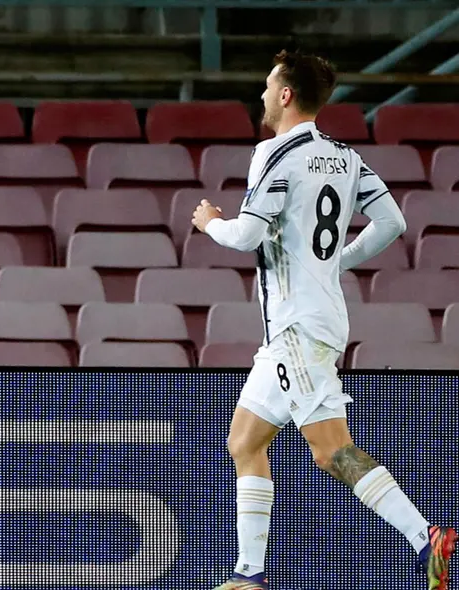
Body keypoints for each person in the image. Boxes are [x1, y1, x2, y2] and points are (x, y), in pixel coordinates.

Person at [191, 50, 454, 590]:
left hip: (296, 326)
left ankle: (426, 534)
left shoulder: (274, 153)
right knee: (244, 440)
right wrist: (336, 260)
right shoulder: (344, 156)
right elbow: (392, 221)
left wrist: (210, 222)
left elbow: (246, 236)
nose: (263, 95)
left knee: (332, 449)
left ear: (286, 94)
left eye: (268, 86)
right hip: (312, 321)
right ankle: (249, 573)